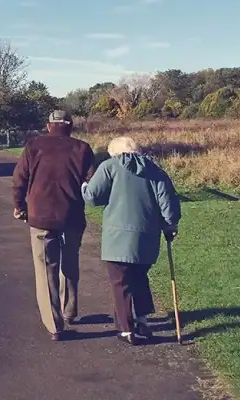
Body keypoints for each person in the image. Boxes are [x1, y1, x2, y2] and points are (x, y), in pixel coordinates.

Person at [81, 136, 181, 345]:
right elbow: (168, 205)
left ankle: (126, 329)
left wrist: (83, 185)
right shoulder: (155, 170)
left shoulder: (109, 167)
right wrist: (170, 226)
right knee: (139, 277)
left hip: (117, 239)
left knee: (120, 283)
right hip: (147, 237)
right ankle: (141, 320)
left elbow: (91, 196)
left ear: (114, 152)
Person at [12, 110, 96, 341]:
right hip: (72, 216)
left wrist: (19, 206)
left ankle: (54, 324)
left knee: (45, 269)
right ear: (70, 126)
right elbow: (92, 183)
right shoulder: (82, 148)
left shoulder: (33, 146)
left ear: (49, 126)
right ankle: (69, 310)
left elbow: (19, 179)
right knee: (69, 263)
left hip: (40, 217)